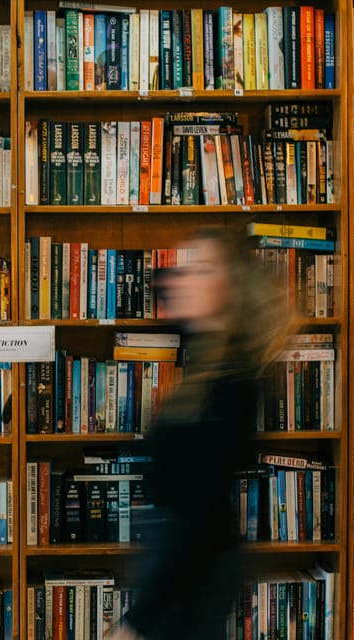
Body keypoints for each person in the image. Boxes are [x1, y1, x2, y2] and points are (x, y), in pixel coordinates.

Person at [112, 227, 293, 640]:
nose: (181, 280)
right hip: (177, 554)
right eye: (183, 269)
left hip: (195, 564)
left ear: (230, 286)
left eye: (201, 271)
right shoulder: (207, 350)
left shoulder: (233, 382)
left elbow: (197, 514)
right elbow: (165, 290)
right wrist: (188, 271)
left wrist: (138, 621)